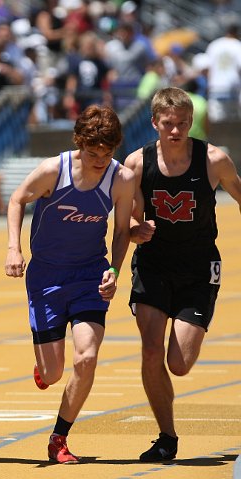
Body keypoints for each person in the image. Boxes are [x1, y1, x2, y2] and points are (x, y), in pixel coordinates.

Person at [5, 105, 135, 463]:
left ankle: (58, 437)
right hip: (46, 278)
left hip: (89, 277)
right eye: (93, 153)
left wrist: (115, 270)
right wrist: (14, 248)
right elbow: (17, 199)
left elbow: (123, 231)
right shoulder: (54, 170)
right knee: (52, 372)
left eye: (107, 154)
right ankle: (44, 369)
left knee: (87, 357)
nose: (100, 161)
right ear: (79, 144)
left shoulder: (120, 179)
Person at [124, 87, 241, 462]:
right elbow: (128, 214)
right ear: (155, 122)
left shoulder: (213, 160)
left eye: (182, 124)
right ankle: (166, 437)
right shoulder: (138, 163)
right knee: (150, 350)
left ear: (192, 123)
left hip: (198, 267)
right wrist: (135, 228)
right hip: (153, 265)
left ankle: (192, 328)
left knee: (178, 363)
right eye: (168, 124)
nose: (175, 131)